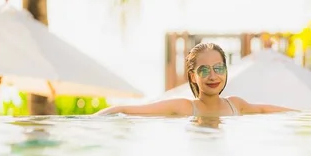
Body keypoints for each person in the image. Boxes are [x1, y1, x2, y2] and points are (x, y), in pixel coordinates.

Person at [94, 42, 295, 117]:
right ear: (193, 75)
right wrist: (88, 120)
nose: (213, 76)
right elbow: (128, 110)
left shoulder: (236, 105)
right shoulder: (184, 107)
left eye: (218, 68)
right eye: (204, 70)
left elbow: (265, 109)